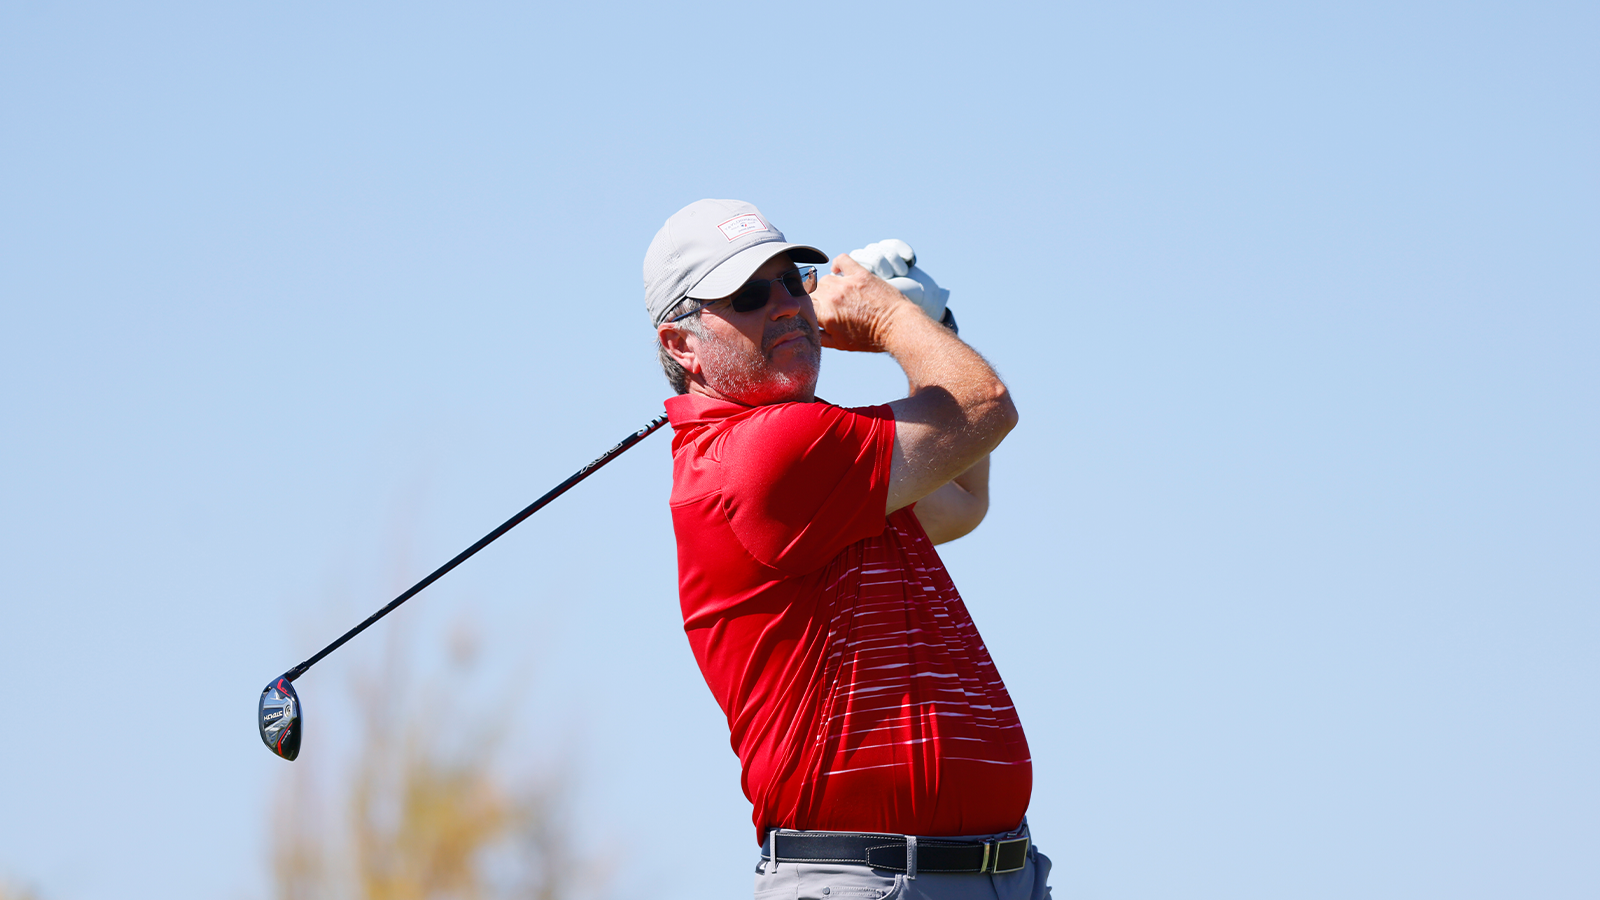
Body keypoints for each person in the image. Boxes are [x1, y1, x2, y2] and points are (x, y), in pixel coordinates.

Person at [643, 199, 1048, 900]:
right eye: (747, 295)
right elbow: (985, 406)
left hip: (996, 875)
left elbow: (960, 498)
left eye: (793, 283)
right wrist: (892, 320)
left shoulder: (817, 460)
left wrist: (932, 330)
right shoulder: (767, 453)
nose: (784, 304)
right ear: (682, 346)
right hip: (865, 882)